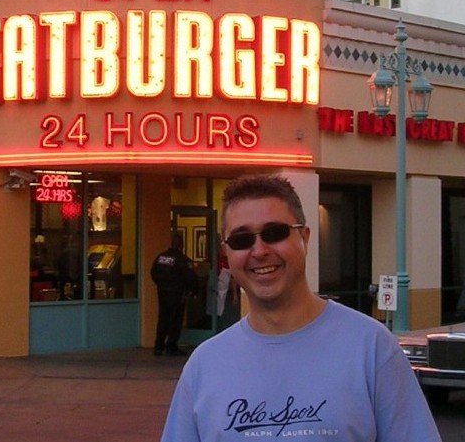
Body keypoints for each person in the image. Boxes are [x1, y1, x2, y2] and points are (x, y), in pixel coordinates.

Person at [160, 174, 442, 442]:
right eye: (241, 239)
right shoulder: (204, 365)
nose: (259, 251)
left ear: (304, 238)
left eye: (274, 233)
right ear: (227, 252)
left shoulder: (371, 347)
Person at [151, 232, 198, 356]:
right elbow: (190, 277)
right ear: (181, 245)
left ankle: (159, 346)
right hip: (177, 294)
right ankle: (171, 346)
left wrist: (162, 285)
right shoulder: (182, 259)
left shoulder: (161, 257)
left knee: (163, 319)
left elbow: (153, 273)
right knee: (176, 320)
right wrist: (194, 290)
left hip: (163, 292)